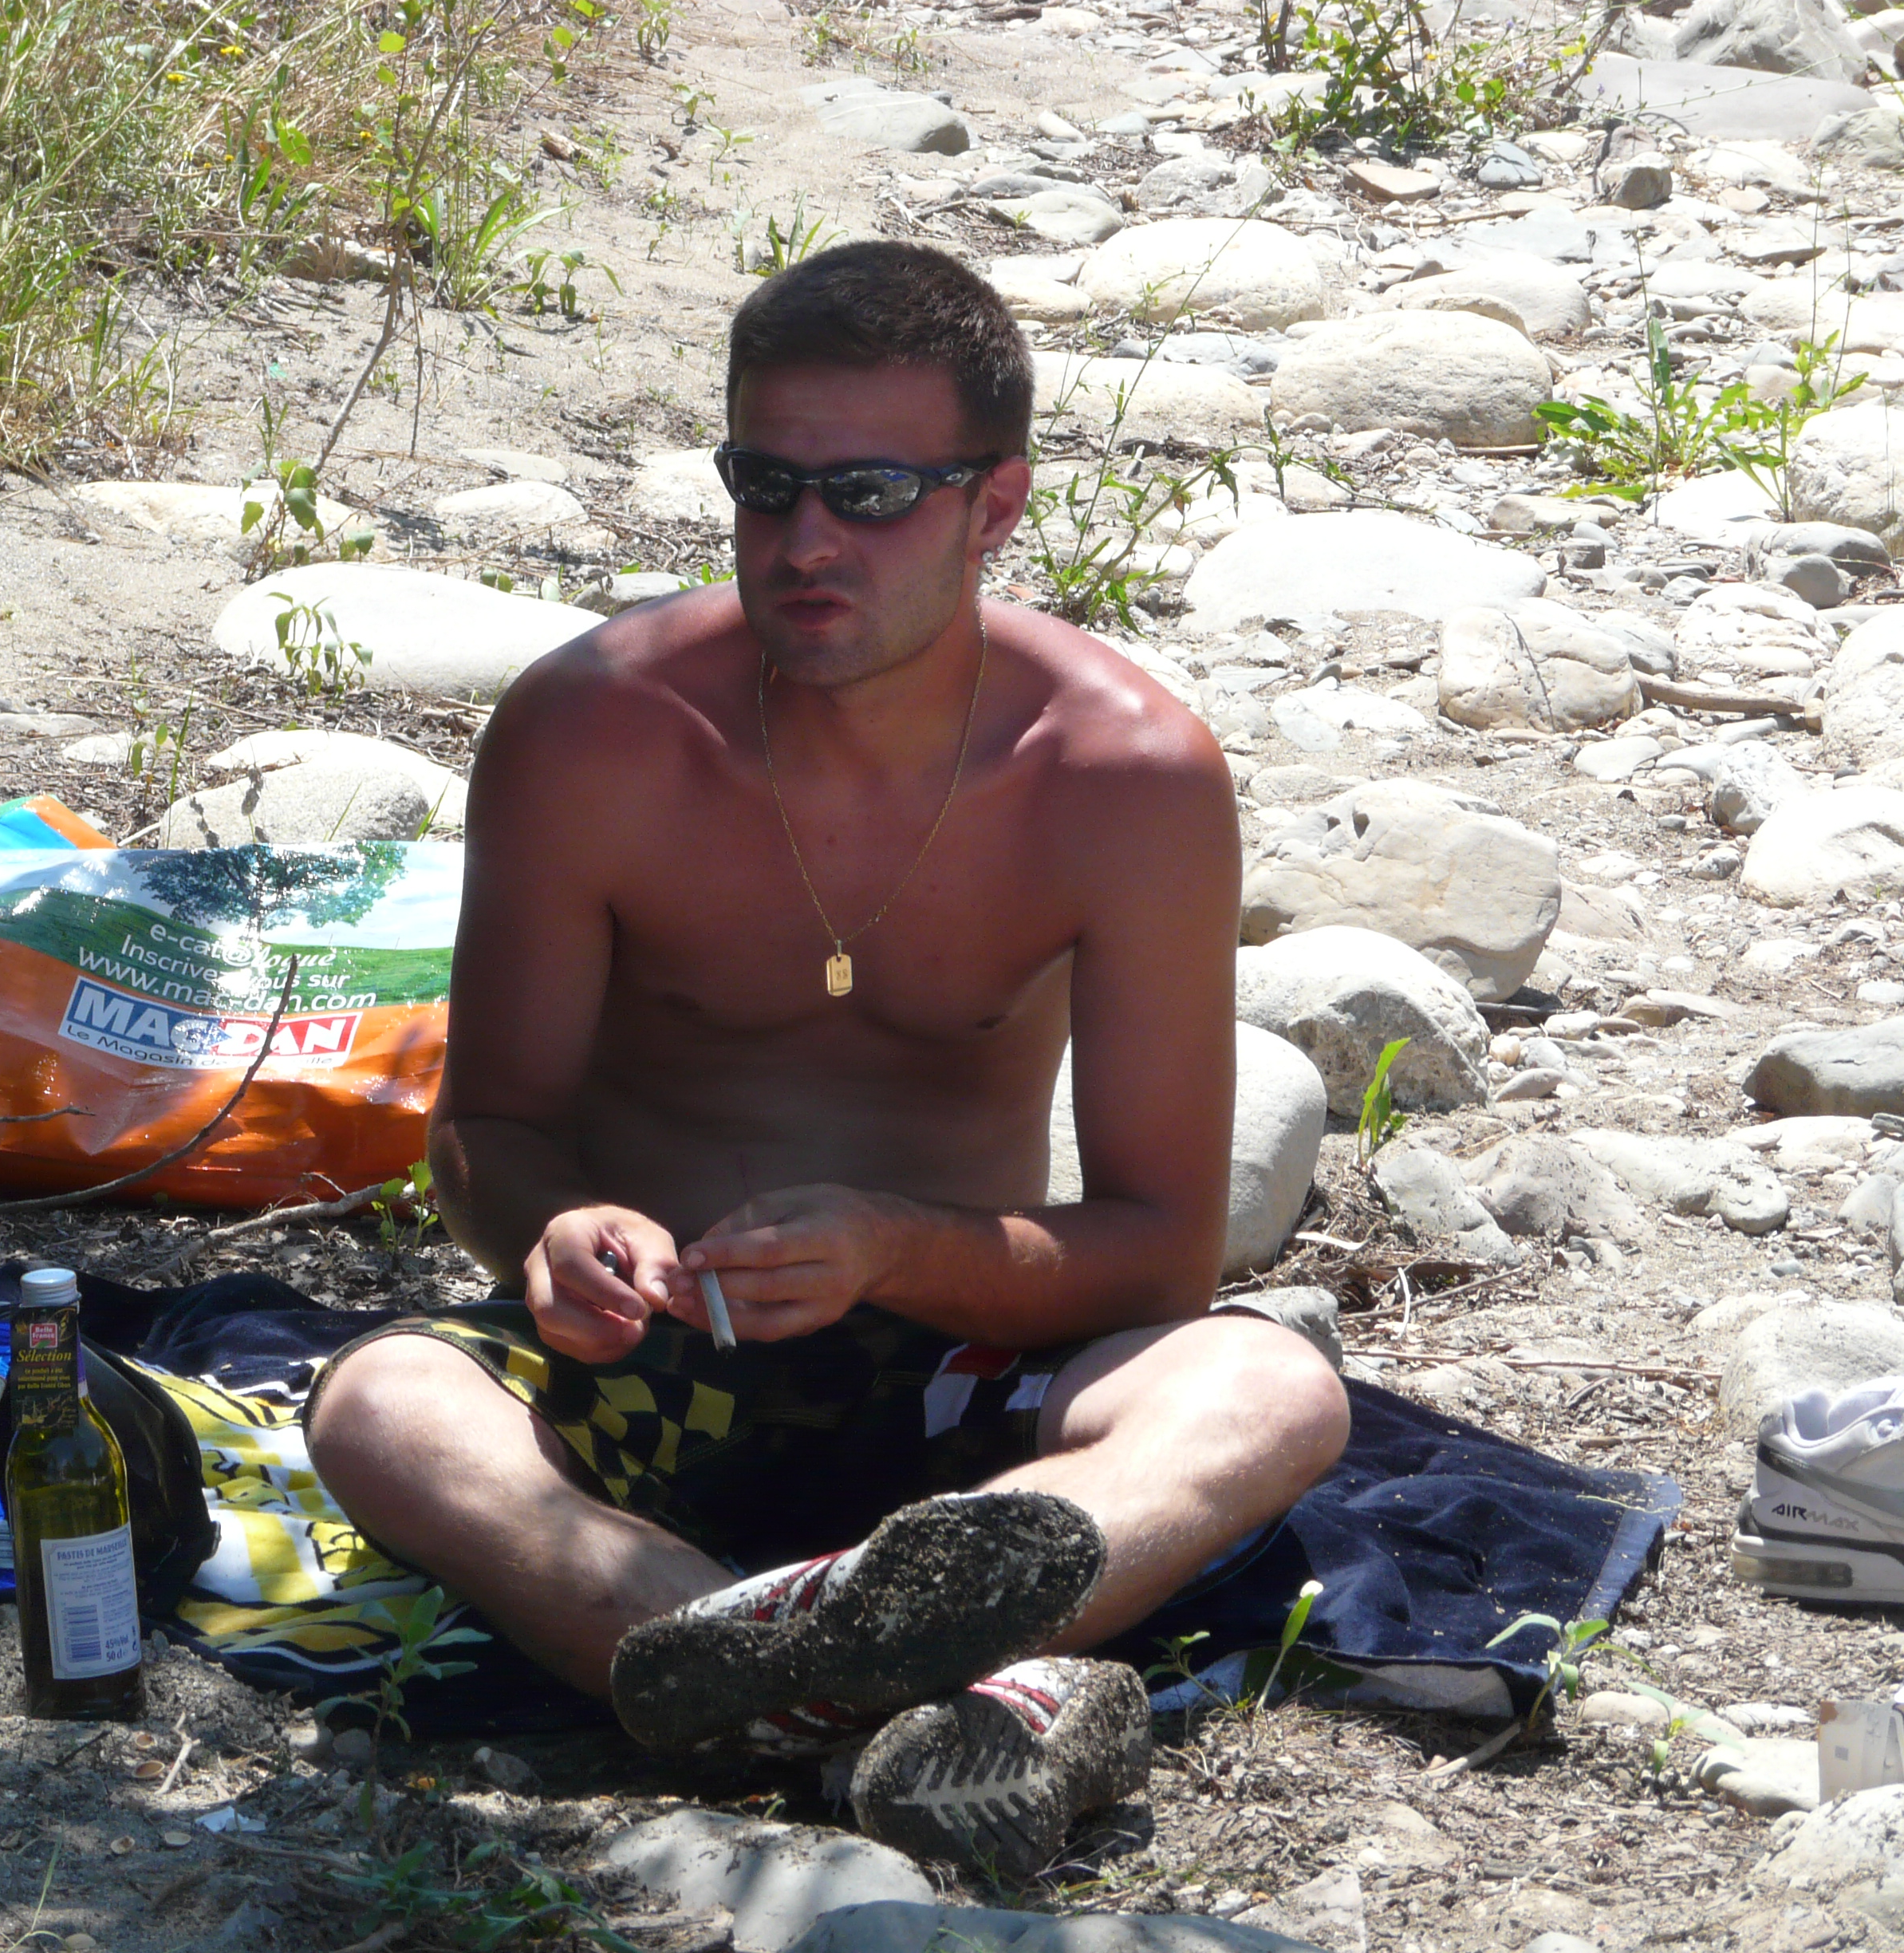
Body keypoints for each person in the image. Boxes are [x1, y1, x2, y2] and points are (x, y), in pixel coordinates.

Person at [304, 240, 1350, 1870]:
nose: (805, 543)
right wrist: (556, 1229)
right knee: (382, 1403)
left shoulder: (1122, 776)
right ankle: (898, 1695)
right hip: (653, 1360)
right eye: (766, 485)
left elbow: (1161, 1253)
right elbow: (486, 1129)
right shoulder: (599, 730)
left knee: (1272, 1387)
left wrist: (893, 1246)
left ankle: (785, 1682)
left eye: (869, 495)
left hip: (955, 1382)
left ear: (994, 508)